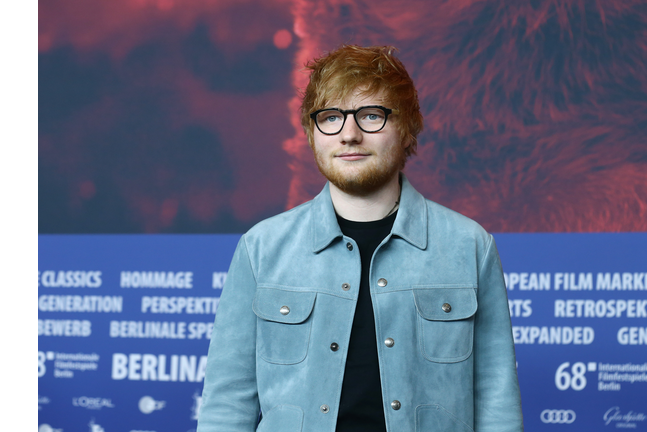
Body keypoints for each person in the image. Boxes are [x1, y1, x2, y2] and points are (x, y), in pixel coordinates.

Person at [196, 45, 523, 432]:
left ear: (406, 129)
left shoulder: (469, 246)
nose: (349, 134)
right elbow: (227, 404)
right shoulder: (261, 248)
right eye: (331, 117)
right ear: (312, 133)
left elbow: (496, 403)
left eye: (371, 115)